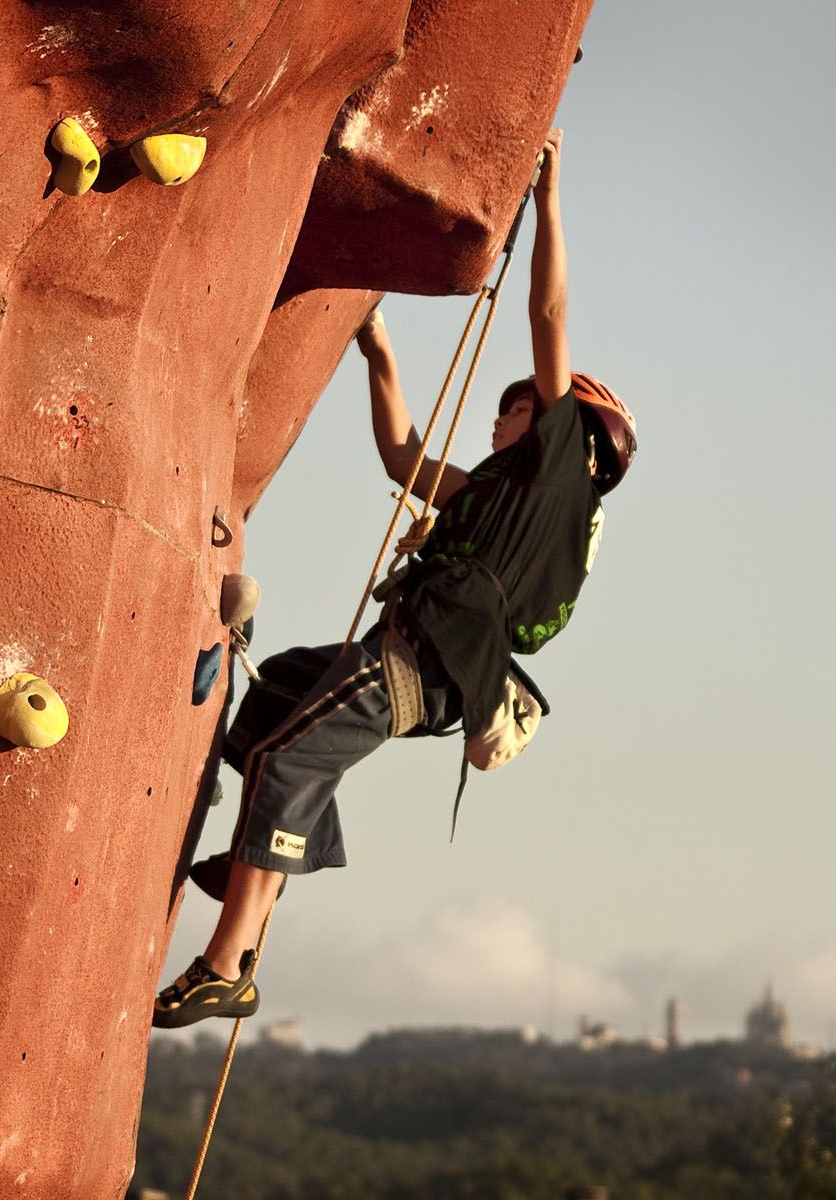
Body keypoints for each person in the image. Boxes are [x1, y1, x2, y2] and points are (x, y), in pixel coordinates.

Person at [154, 129, 637, 1028]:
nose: (503, 415)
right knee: (278, 698)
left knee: (288, 755)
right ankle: (268, 867)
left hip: (429, 651)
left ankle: (230, 961)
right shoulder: (506, 494)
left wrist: (551, 197)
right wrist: (378, 355)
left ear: (567, 431)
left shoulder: (558, 472)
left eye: (518, 407)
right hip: (426, 651)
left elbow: (548, 314)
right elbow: (408, 460)